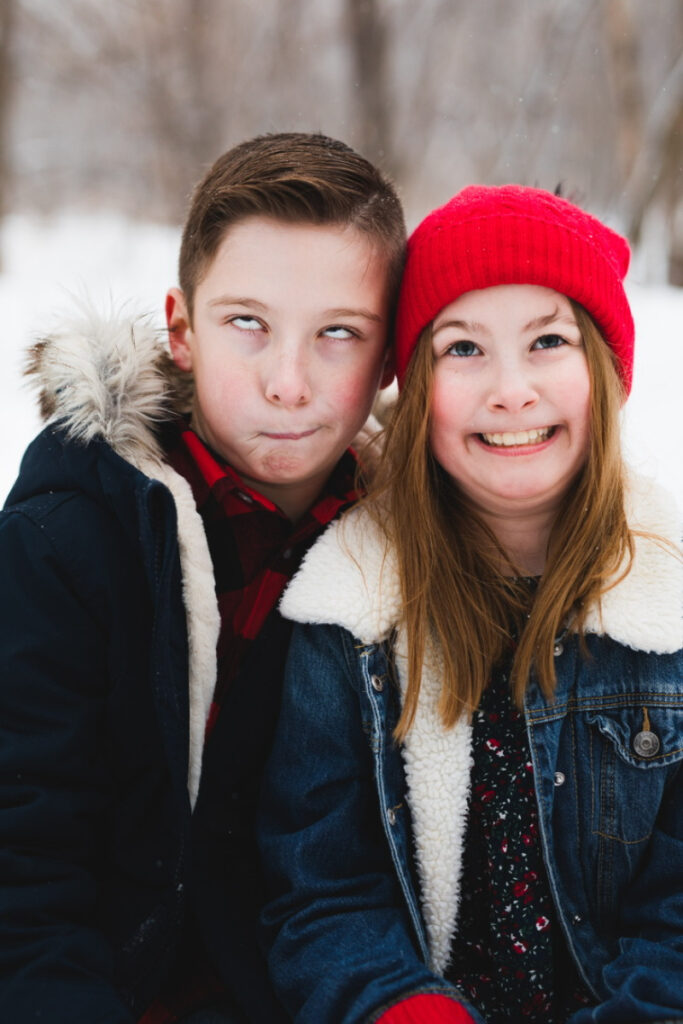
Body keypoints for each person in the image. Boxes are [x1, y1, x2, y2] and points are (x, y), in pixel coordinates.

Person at [0, 131, 405, 1023]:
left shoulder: (405, 548)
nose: (288, 383)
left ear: (386, 362)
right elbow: (25, 872)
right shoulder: (68, 538)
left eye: (338, 333)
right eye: (247, 323)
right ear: (181, 329)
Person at [258, 185, 683, 1023]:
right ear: (415, 389)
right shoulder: (349, 608)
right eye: (463, 349)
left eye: (548, 341)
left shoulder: (663, 598)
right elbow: (320, 891)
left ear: (603, 370)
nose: (511, 390)